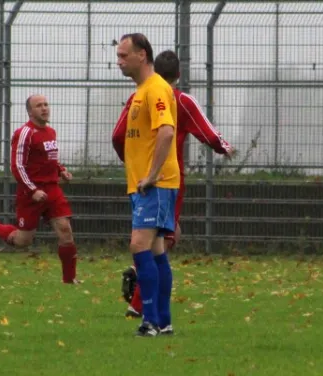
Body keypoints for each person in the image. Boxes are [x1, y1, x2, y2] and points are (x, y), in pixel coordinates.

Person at [113, 50, 235, 319]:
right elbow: (206, 131)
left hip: (140, 179)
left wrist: (131, 161)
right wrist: (223, 147)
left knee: (159, 239)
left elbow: (118, 135)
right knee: (157, 242)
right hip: (167, 179)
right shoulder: (178, 99)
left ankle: (154, 314)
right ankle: (141, 305)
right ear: (179, 75)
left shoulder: (139, 96)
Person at [0, 94, 80, 284]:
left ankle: (69, 280)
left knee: (65, 230)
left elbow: (50, 160)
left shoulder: (51, 132)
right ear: (30, 111)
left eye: (46, 104)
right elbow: (17, 166)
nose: (44, 108)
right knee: (23, 241)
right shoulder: (24, 133)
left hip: (52, 190)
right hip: (30, 193)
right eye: (39, 106)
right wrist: (33, 190)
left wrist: (62, 171)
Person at [115, 33, 179, 337]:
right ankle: (163, 321)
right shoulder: (143, 90)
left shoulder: (156, 89)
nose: (119, 62)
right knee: (155, 252)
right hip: (143, 185)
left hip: (154, 185)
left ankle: (150, 320)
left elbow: (166, 132)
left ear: (142, 55)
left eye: (124, 55)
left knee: (138, 246)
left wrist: (152, 175)